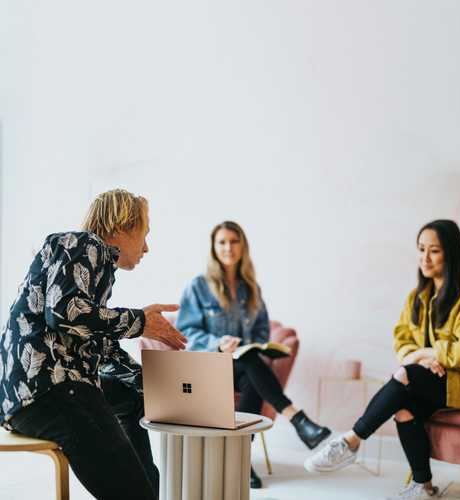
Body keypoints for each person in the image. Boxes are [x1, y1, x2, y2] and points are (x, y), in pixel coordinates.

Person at [0, 189, 187, 500]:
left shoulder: (88, 262)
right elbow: (63, 313)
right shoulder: (85, 244)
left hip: (33, 394)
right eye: (144, 233)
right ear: (122, 226)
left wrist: (157, 384)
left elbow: (94, 341)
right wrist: (140, 321)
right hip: (52, 390)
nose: (147, 247)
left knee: (131, 396)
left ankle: (148, 489)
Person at [304, 219, 460, 499]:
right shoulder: (418, 297)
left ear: (451, 253)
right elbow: (402, 339)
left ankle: (352, 440)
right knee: (403, 408)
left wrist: (422, 354)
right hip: (435, 380)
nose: (425, 257)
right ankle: (424, 486)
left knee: (405, 376)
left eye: (434, 250)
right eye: (421, 249)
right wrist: (423, 359)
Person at [176, 220, 331, 488]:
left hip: (240, 368)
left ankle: (239, 458)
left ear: (243, 246)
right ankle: (297, 419)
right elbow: (186, 332)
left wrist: (256, 345)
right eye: (222, 242)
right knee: (250, 364)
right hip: (209, 368)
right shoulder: (199, 286)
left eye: (234, 241)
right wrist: (219, 344)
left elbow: (260, 332)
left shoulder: (251, 288)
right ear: (214, 248)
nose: (228, 248)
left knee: (250, 368)